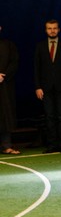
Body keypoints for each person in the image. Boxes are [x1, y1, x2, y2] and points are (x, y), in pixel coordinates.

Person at [34, 19, 61, 153]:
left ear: (59, 30)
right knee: (49, 117)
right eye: (50, 28)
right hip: (45, 88)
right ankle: (51, 145)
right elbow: (36, 68)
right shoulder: (40, 46)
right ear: (46, 30)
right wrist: (37, 87)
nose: (52, 31)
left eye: (55, 28)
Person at [0, 24, 19, 154]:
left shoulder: (8, 45)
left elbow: (14, 62)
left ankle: (6, 145)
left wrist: (4, 75)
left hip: (5, 85)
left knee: (5, 115)